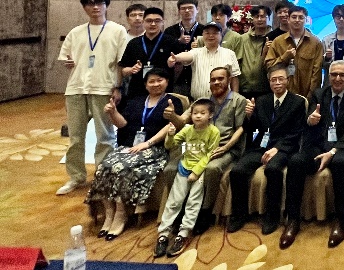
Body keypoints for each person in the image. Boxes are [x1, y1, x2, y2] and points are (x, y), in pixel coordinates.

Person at [85, 69, 183, 240]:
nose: (156, 84)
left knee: (123, 168)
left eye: (160, 80)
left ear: (167, 82)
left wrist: (148, 143)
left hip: (155, 149)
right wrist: (112, 112)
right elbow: (122, 124)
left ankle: (121, 214)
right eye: (151, 81)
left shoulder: (172, 101)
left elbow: (171, 125)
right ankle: (109, 213)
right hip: (129, 148)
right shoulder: (136, 101)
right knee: (103, 167)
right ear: (145, 85)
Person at [282, 60, 344, 248]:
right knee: (296, 161)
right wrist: (310, 120)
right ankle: (293, 220)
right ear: (328, 77)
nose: (338, 78)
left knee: (341, 163)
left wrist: (333, 151)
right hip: (320, 145)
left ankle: (340, 221)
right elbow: (309, 122)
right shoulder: (319, 94)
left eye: (342, 75)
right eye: (334, 74)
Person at [57, 0, 128, 196]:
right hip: (76, 88)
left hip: (104, 87)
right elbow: (65, 57)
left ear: (106, 6)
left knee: (105, 136)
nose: (95, 7)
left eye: (99, 3)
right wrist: (67, 62)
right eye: (90, 3)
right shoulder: (76, 32)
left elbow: (121, 62)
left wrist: (117, 87)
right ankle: (76, 177)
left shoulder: (117, 31)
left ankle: (103, 176)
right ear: (84, 7)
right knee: (75, 137)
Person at [162, 66, 247, 235]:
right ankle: (179, 210)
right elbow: (182, 122)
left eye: (220, 79)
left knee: (211, 168)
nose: (216, 82)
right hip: (196, 146)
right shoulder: (202, 101)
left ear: (229, 80)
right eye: (213, 79)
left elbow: (240, 128)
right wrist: (172, 116)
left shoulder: (238, 100)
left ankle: (205, 211)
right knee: (171, 168)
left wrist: (226, 147)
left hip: (224, 147)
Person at [227, 66, 306, 236]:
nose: (277, 83)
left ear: (288, 80)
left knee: (273, 169)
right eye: (273, 80)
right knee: (237, 171)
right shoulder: (262, 101)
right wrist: (249, 116)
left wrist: (277, 148)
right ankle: (239, 214)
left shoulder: (297, 102)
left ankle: (272, 216)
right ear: (269, 82)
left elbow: (296, 133)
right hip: (261, 146)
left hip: (283, 148)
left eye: (280, 79)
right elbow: (252, 128)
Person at [154, 98, 220, 258]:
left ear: (210, 115)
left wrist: (196, 172)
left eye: (202, 113)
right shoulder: (187, 129)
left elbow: (209, 154)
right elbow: (170, 145)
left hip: (199, 172)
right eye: (195, 113)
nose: (198, 116)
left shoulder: (214, 132)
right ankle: (163, 234)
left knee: (193, 202)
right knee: (174, 201)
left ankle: (183, 234)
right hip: (184, 168)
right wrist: (170, 135)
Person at [119, 7, 184, 103]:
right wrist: (132, 69)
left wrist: (171, 68)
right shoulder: (134, 43)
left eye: (157, 21)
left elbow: (180, 66)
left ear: (163, 22)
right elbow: (123, 70)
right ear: (143, 22)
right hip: (137, 91)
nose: (153, 24)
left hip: (164, 91)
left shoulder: (172, 42)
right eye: (149, 21)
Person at [168, 22, 240, 100]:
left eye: (215, 33)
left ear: (221, 35)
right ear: (202, 35)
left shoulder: (230, 54)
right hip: (199, 102)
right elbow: (187, 55)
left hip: (223, 102)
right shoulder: (196, 52)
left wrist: (234, 98)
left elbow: (234, 78)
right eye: (207, 33)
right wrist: (176, 58)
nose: (211, 36)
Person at [264, 5, 324, 98]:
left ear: (306, 20)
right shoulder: (278, 41)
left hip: (306, 94)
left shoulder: (315, 42)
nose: (297, 20)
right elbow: (268, 66)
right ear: (288, 19)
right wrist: (284, 58)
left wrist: (311, 94)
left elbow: (317, 72)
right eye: (294, 17)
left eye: (301, 17)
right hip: (282, 94)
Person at [163, 0, 201, 96]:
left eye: (190, 8)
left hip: (197, 74)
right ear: (179, 11)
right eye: (183, 8)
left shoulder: (204, 30)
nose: (187, 11)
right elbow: (164, 51)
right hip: (176, 77)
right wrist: (178, 41)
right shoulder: (170, 31)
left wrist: (200, 45)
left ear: (197, 9)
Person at [233, 5, 271, 100]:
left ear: (269, 18)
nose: (259, 19)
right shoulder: (243, 38)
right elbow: (237, 62)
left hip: (266, 89)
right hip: (244, 88)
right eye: (256, 16)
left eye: (263, 16)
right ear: (252, 19)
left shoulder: (273, 38)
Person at [322, 3, 344, 74]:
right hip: (330, 79)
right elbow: (321, 65)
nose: (341, 19)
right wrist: (327, 58)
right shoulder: (326, 40)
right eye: (338, 16)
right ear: (334, 19)